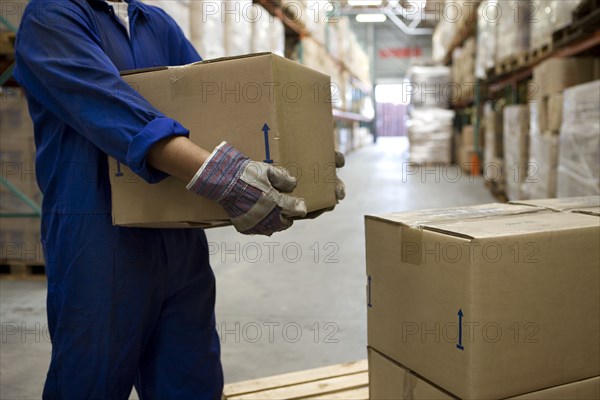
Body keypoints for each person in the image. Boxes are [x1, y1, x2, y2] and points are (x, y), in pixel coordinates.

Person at [14, 0, 344, 399]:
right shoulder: (53, 16)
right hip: (96, 235)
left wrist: (299, 167)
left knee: (190, 375)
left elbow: (212, 103)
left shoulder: (155, 22)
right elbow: (110, 109)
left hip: (176, 227)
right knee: (91, 379)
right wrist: (223, 177)